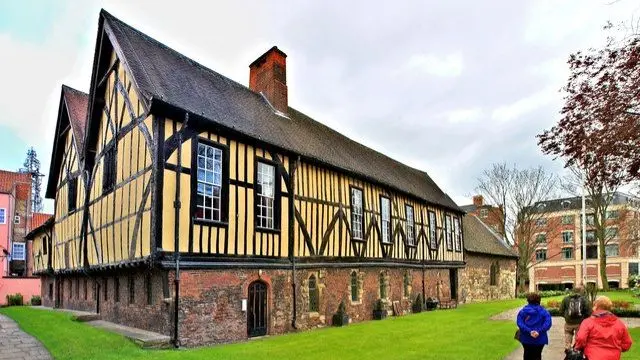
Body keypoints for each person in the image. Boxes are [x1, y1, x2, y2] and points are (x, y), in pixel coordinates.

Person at [574, 296, 633, 360]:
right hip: (613, 357)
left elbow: (580, 338)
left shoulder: (587, 322)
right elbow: (627, 343)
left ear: (596, 306)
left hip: (592, 356)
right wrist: (615, 349)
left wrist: (577, 348)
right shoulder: (619, 323)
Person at [517, 292, 552, 360]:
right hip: (540, 338)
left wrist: (529, 331)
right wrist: (538, 331)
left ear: (528, 300)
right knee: (537, 355)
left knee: (527, 355)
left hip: (526, 338)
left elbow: (520, 323)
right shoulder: (544, 312)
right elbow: (548, 323)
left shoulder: (523, 311)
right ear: (539, 300)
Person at [559, 285, 591, 351]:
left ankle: (568, 347)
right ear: (581, 291)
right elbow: (588, 312)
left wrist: (566, 317)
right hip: (579, 323)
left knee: (568, 333)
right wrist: (584, 319)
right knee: (578, 337)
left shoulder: (566, 299)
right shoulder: (584, 299)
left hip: (568, 322)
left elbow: (561, 311)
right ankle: (577, 349)